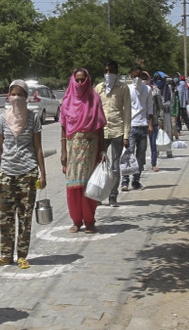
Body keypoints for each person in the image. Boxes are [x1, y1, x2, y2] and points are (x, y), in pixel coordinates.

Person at [0, 80, 47, 268]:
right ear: (8, 96)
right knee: (4, 216)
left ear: (26, 97)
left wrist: (42, 173)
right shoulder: (2, 119)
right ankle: (6, 255)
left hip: (28, 173)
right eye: (13, 94)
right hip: (6, 173)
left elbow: (38, 148)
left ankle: (22, 254)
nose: (16, 98)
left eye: (20, 94)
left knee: (25, 216)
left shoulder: (33, 119)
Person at [60, 68, 107, 233]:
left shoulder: (94, 99)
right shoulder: (67, 101)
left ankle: (89, 221)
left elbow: (100, 128)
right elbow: (63, 128)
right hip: (72, 148)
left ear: (87, 80)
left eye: (83, 80)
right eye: (77, 80)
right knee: (73, 186)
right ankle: (76, 221)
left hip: (90, 148)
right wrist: (63, 152)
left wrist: (103, 151)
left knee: (88, 186)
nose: (80, 83)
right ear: (73, 80)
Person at [94, 60, 131, 207]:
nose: (108, 74)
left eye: (111, 71)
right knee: (99, 164)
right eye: (106, 71)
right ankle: (98, 195)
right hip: (101, 132)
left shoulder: (123, 88)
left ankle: (113, 196)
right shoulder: (99, 88)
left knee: (115, 165)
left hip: (117, 131)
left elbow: (127, 112)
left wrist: (126, 135)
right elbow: (94, 111)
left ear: (116, 72)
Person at [124, 66, 153, 189]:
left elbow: (150, 107)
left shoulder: (147, 89)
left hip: (143, 126)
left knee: (140, 156)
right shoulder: (127, 89)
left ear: (143, 77)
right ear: (131, 77)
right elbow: (124, 109)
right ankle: (125, 180)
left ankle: (136, 180)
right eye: (135, 76)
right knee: (128, 154)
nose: (137, 78)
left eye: (139, 76)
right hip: (131, 126)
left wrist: (150, 124)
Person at [143, 71, 164, 171]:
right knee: (141, 146)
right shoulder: (138, 91)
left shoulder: (155, 91)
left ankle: (153, 163)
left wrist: (161, 120)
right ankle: (141, 163)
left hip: (154, 121)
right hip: (141, 122)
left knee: (153, 144)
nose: (143, 80)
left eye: (145, 78)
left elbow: (160, 106)